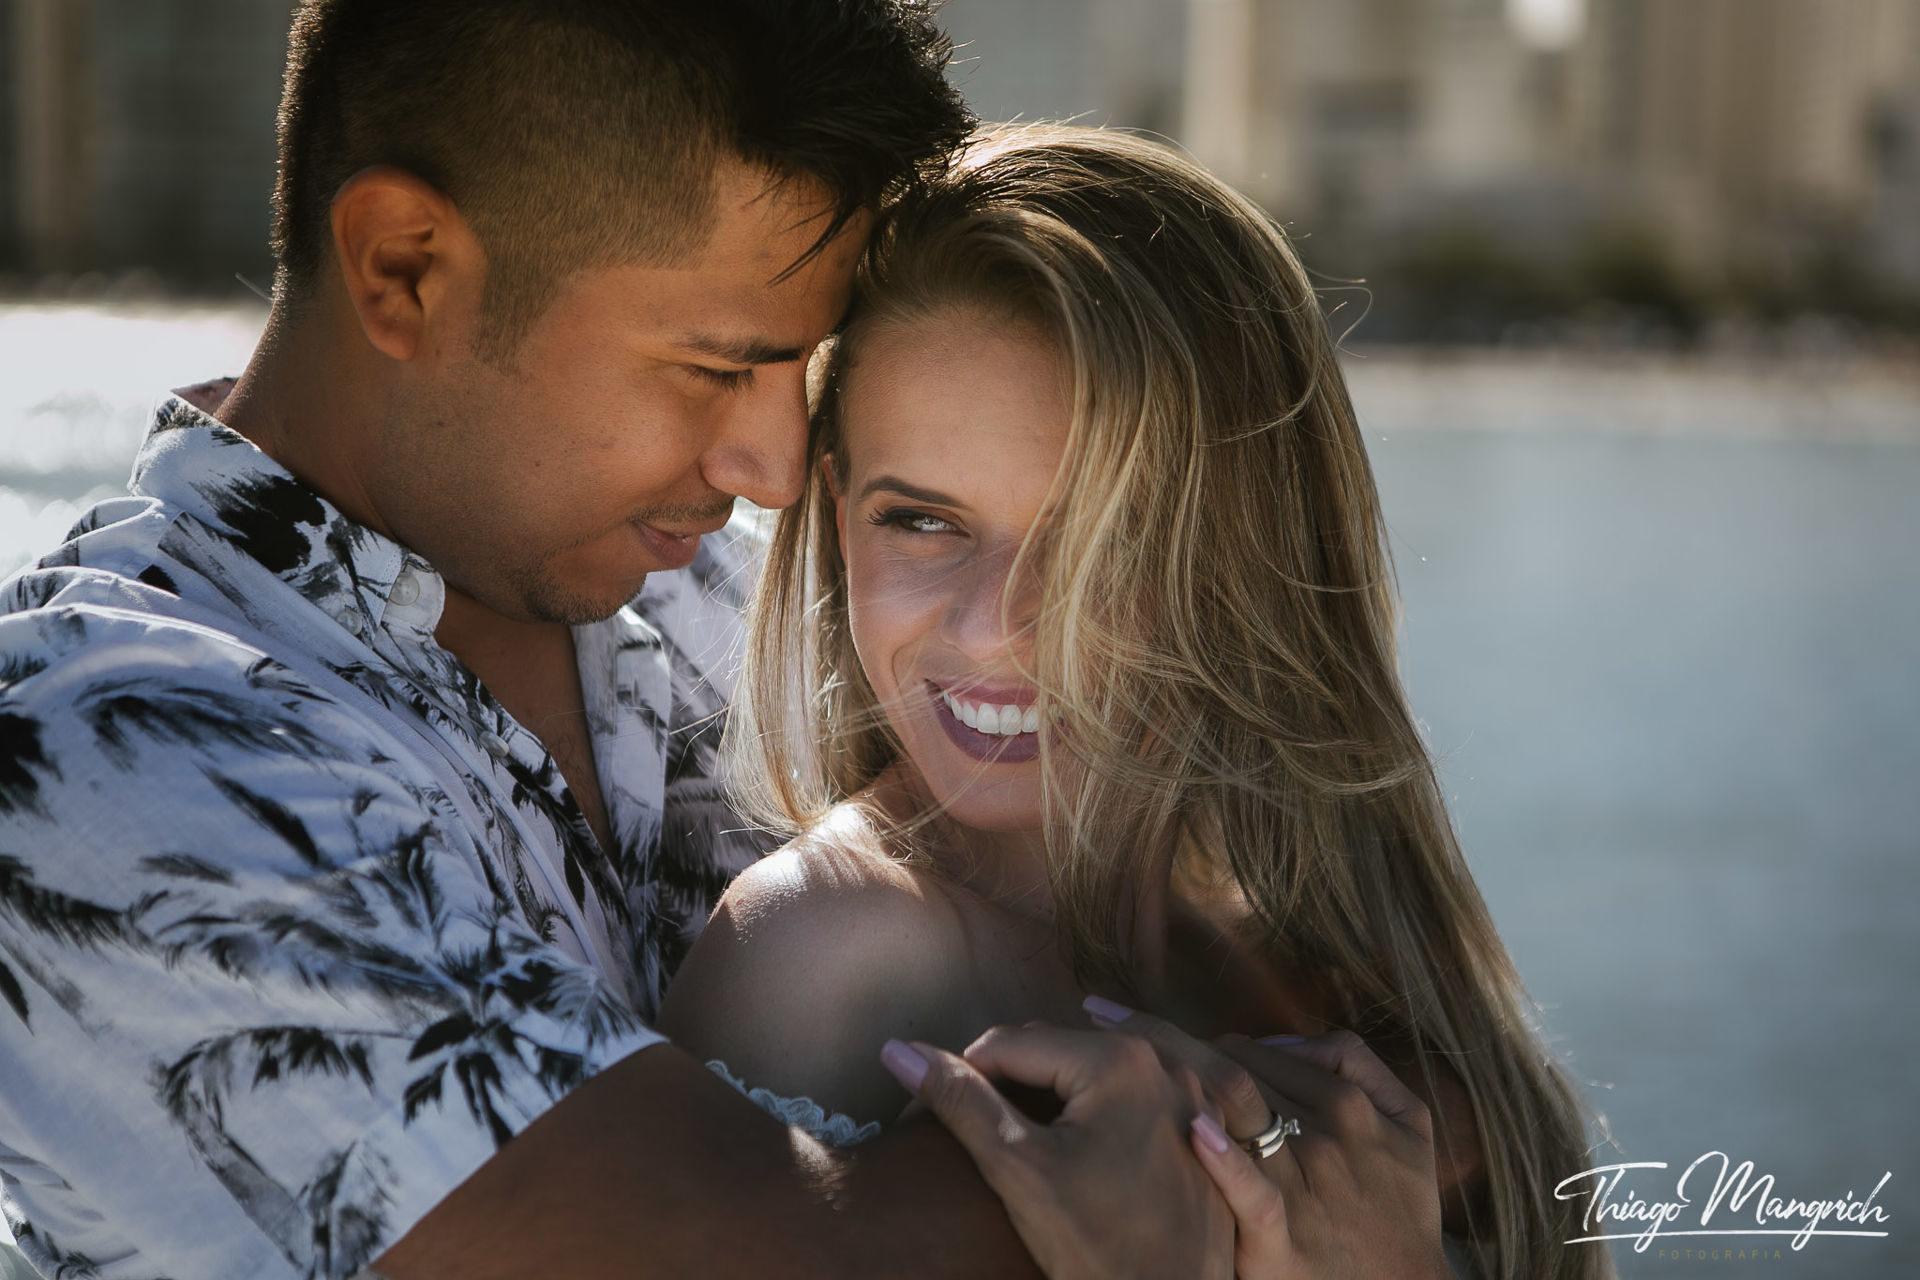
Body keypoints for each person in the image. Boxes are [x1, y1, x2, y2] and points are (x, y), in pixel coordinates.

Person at [0, 3, 1454, 1278]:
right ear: (403, 267)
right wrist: (1308, 1142)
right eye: (718, 365)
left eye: (802, 374)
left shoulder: (716, 589)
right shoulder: (95, 745)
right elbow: (742, 1260)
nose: (773, 466)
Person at [657, 125, 1618, 1280]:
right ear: (836, 505)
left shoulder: (1320, 958)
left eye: (1105, 543)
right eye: (921, 518)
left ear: (1250, 558)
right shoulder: (831, 958)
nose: (996, 624)